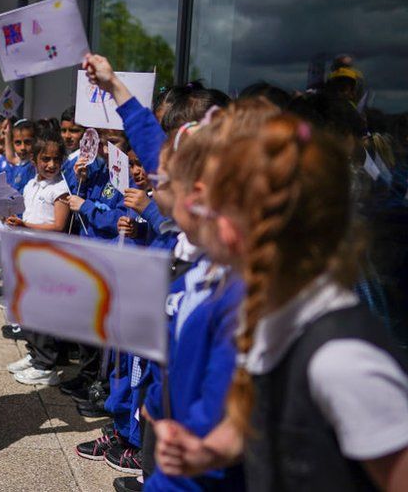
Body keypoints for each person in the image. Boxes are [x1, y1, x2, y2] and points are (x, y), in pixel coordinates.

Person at [152, 114, 408, 492]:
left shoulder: (342, 359)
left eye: (209, 200)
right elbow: (253, 422)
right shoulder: (264, 313)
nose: (189, 203)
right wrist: (208, 451)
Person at [3, 130, 71, 386]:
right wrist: (14, 220)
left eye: (56, 159)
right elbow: (27, 213)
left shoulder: (60, 189)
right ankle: (34, 355)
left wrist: (25, 225)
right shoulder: (32, 183)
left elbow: (58, 226)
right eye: (45, 159)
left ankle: (46, 365)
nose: (51, 164)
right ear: (34, 160)